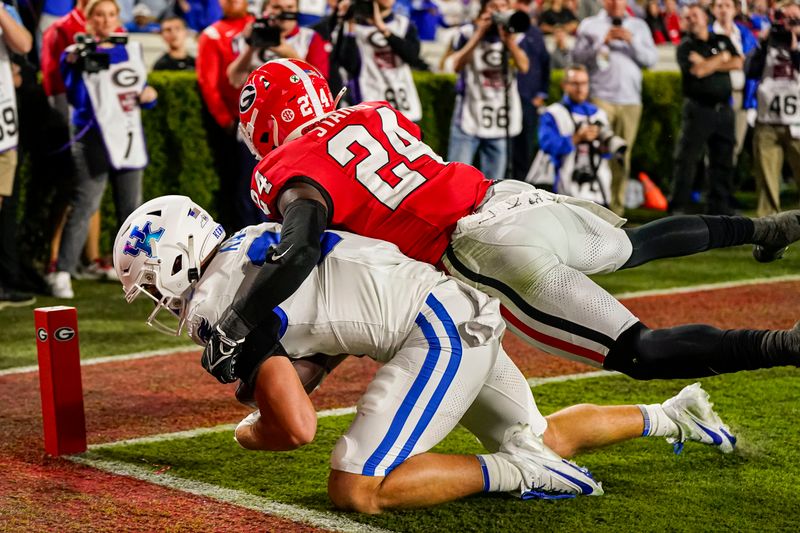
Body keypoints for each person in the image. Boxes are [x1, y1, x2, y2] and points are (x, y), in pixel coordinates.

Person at [113, 194, 737, 511]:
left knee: (356, 487)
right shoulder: (252, 237)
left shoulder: (213, 303)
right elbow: (311, 336)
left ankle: (524, 474)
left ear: (171, 261)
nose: (155, 298)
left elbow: (296, 428)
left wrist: (250, 430)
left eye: (148, 281)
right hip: (455, 306)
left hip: (433, 332)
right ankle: (676, 415)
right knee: (537, 434)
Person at [237, 58, 800, 385]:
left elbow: (303, 248)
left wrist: (239, 321)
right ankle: (766, 228)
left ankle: (785, 345)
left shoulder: (288, 166)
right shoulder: (371, 112)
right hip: (513, 199)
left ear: (265, 127)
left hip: (482, 244)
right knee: (635, 245)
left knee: (639, 350)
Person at [47, 0, 157, 299]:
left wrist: (150, 96)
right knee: (86, 203)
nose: (106, 20)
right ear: (89, 18)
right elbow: (76, 97)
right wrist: (75, 65)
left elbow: (140, 95)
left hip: (129, 137)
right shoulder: (74, 53)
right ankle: (62, 271)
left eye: (111, 14)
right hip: (93, 138)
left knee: (132, 209)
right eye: (99, 15)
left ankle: (135, 272)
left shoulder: (131, 50)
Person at [571, 0, 658, 216]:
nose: (616, 2)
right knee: (597, 153)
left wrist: (632, 41)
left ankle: (616, 211)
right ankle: (594, 206)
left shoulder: (639, 26)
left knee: (621, 156)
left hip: (630, 100)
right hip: (600, 98)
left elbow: (651, 60)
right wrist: (601, 43)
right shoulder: (590, 25)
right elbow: (575, 58)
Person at [444, 0, 530, 180]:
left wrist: (509, 42)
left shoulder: (515, 35)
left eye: (503, 6)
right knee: (458, 176)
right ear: (483, 9)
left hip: (500, 117)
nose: (499, 11)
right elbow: (456, 65)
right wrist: (478, 34)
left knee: (495, 183)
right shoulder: (466, 33)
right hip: (470, 113)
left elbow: (524, 67)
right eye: (493, 6)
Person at [669, 4, 742, 216]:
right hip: (699, 109)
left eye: (694, 15)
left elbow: (738, 62)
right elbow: (698, 71)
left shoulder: (721, 39)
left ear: (705, 18)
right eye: (687, 16)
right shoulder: (685, 46)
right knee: (687, 159)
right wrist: (721, 58)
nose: (691, 19)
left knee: (723, 159)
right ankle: (679, 207)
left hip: (723, 110)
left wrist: (709, 63)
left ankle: (719, 207)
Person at [196, 0, 262, 230]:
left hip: (271, 119)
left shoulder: (260, 25)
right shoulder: (212, 35)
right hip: (240, 124)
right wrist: (226, 121)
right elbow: (209, 83)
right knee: (242, 186)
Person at [533, 64, 623, 205]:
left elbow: (606, 154)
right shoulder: (552, 113)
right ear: (565, 85)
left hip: (597, 189)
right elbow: (547, 145)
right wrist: (577, 138)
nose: (580, 88)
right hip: (563, 190)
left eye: (584, 83)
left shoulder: (599, 114)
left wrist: (604, 149)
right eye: (575, 83)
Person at [746, 0, 800, 224]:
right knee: (767, 184)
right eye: (783, 18)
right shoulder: (768, 41)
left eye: (794, 19)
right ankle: (769, 235)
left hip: (798, 121)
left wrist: (795, 46)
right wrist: (761, 43)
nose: (787, 24)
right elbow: (749, 70)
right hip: (768, 120)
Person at [331, 0, 427, 122]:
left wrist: (383, 29)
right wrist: (349, 23)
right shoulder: (352, 26)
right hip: (368, 103)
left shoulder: (403, 24)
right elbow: (348, 64)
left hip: (404, 103)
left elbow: (413, 57)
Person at [0, 3, 34, 308]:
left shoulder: (6, 8)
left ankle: (5, 281)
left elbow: (23, 44)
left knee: (3, 206)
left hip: (3, 121)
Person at [226, 0, 330, 88]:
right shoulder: (247, 36)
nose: (284, 12)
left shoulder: (309, 38)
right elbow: (235, 81)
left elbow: (320, 84)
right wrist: (251, 46)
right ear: (265, 9)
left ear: (296, 10)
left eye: (289, 7)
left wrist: (290, 54)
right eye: (277, 7)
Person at [711, 0, 758, 165]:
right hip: (717, 96)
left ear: (735, 9)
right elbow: (703, 65)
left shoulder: (743, 33)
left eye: (727, 6)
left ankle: (724, 187)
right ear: (713, 10)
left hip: (741, 95)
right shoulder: (709, 33)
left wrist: (722, 62)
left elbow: (752, 64)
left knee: (735, 146)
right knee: (716, 146)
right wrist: (734, 62)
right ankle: (712, 188)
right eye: (719, 6)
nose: (724, 10)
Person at [512, 7, 550, 181]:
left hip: (528, 98)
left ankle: (522, 187)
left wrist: (542, 93)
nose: (523, 7)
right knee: (503, 146)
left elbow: (545, 62)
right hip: (504, 99)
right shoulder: (500, 31)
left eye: (527, 3)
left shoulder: (534, 32)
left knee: (525, 146)